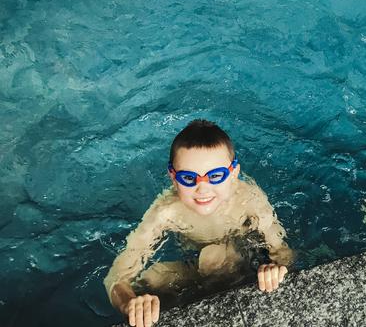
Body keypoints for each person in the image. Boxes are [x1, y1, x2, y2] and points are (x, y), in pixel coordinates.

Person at [104, 119, 293, 327]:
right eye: (188, 178)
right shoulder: (166, 211)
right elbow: (116, 277)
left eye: (216, 176)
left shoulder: (250, 201)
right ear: (174, 178)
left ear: (233, 174)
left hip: (238, 255)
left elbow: (281, 250)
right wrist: (130, 303)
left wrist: (276, 268)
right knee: (149, 282)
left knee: (218, 260)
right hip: (193, 263)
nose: (202, 188)